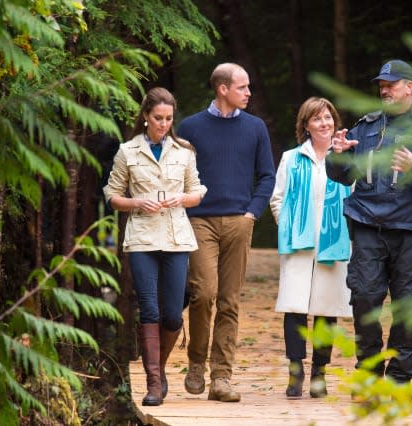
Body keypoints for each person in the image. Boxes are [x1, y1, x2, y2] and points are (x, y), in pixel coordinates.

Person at [326, 59, 412, 384]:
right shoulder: (367, 126)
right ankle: (369, 374)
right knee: (364, 298)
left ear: (409, 87)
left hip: (411, 230)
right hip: (368, 225)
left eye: (392, 84)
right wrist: (337, 153)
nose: (384, 89)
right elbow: (341, 176)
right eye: (381, 85)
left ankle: (399, 376)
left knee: (407, 303)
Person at [177, 63, 276, 402]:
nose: (249, 93)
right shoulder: (190, 127)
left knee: (229, 301)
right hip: (199, 220)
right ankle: (196, 364)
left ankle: (222, 377)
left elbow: (267, 175)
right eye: (243, 87)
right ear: (223, 89)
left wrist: (252, 213)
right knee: (203, 294)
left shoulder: (256, 127)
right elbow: (178, 174)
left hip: (239, 221)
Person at [103, 87, 207, 406]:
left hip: (177, 238)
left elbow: (197, 190)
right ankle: (152, 384)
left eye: (168, 119)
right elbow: (112, 194)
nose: (163, 124)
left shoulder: (184, 151)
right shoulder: (128, 151)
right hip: (143, 239)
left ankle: (159, 369)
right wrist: (137, 202)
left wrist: (183, 198)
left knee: (173, 315)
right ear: (146, 117)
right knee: (148, 309)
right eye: (158, 118)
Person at [270, 97, 353, 399]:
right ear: (305, 125)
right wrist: (288, 229)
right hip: (299, 246)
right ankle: (296, 372)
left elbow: (355, 198)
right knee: (294, 309)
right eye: (317, 119)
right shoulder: (292, 158)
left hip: (333, 243)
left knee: (325, 311)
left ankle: (319, 373)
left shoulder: (345, 158)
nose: (324, 123)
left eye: (328, 117)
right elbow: (277, 198)